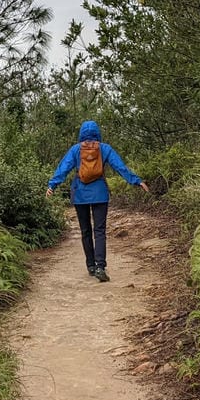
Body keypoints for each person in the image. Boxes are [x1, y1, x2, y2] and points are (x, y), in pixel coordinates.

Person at [46, 120, 149, 282]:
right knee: (99, 231)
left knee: (86, 231)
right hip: (100, 194)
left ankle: (91, 266)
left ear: (81, 134)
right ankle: (100, 266)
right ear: (97, 133)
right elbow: (120, 167)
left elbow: (63, 168)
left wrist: (52, 185)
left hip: (80, 195)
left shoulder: (76, 150)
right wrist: (136, 181)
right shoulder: (104, 149)